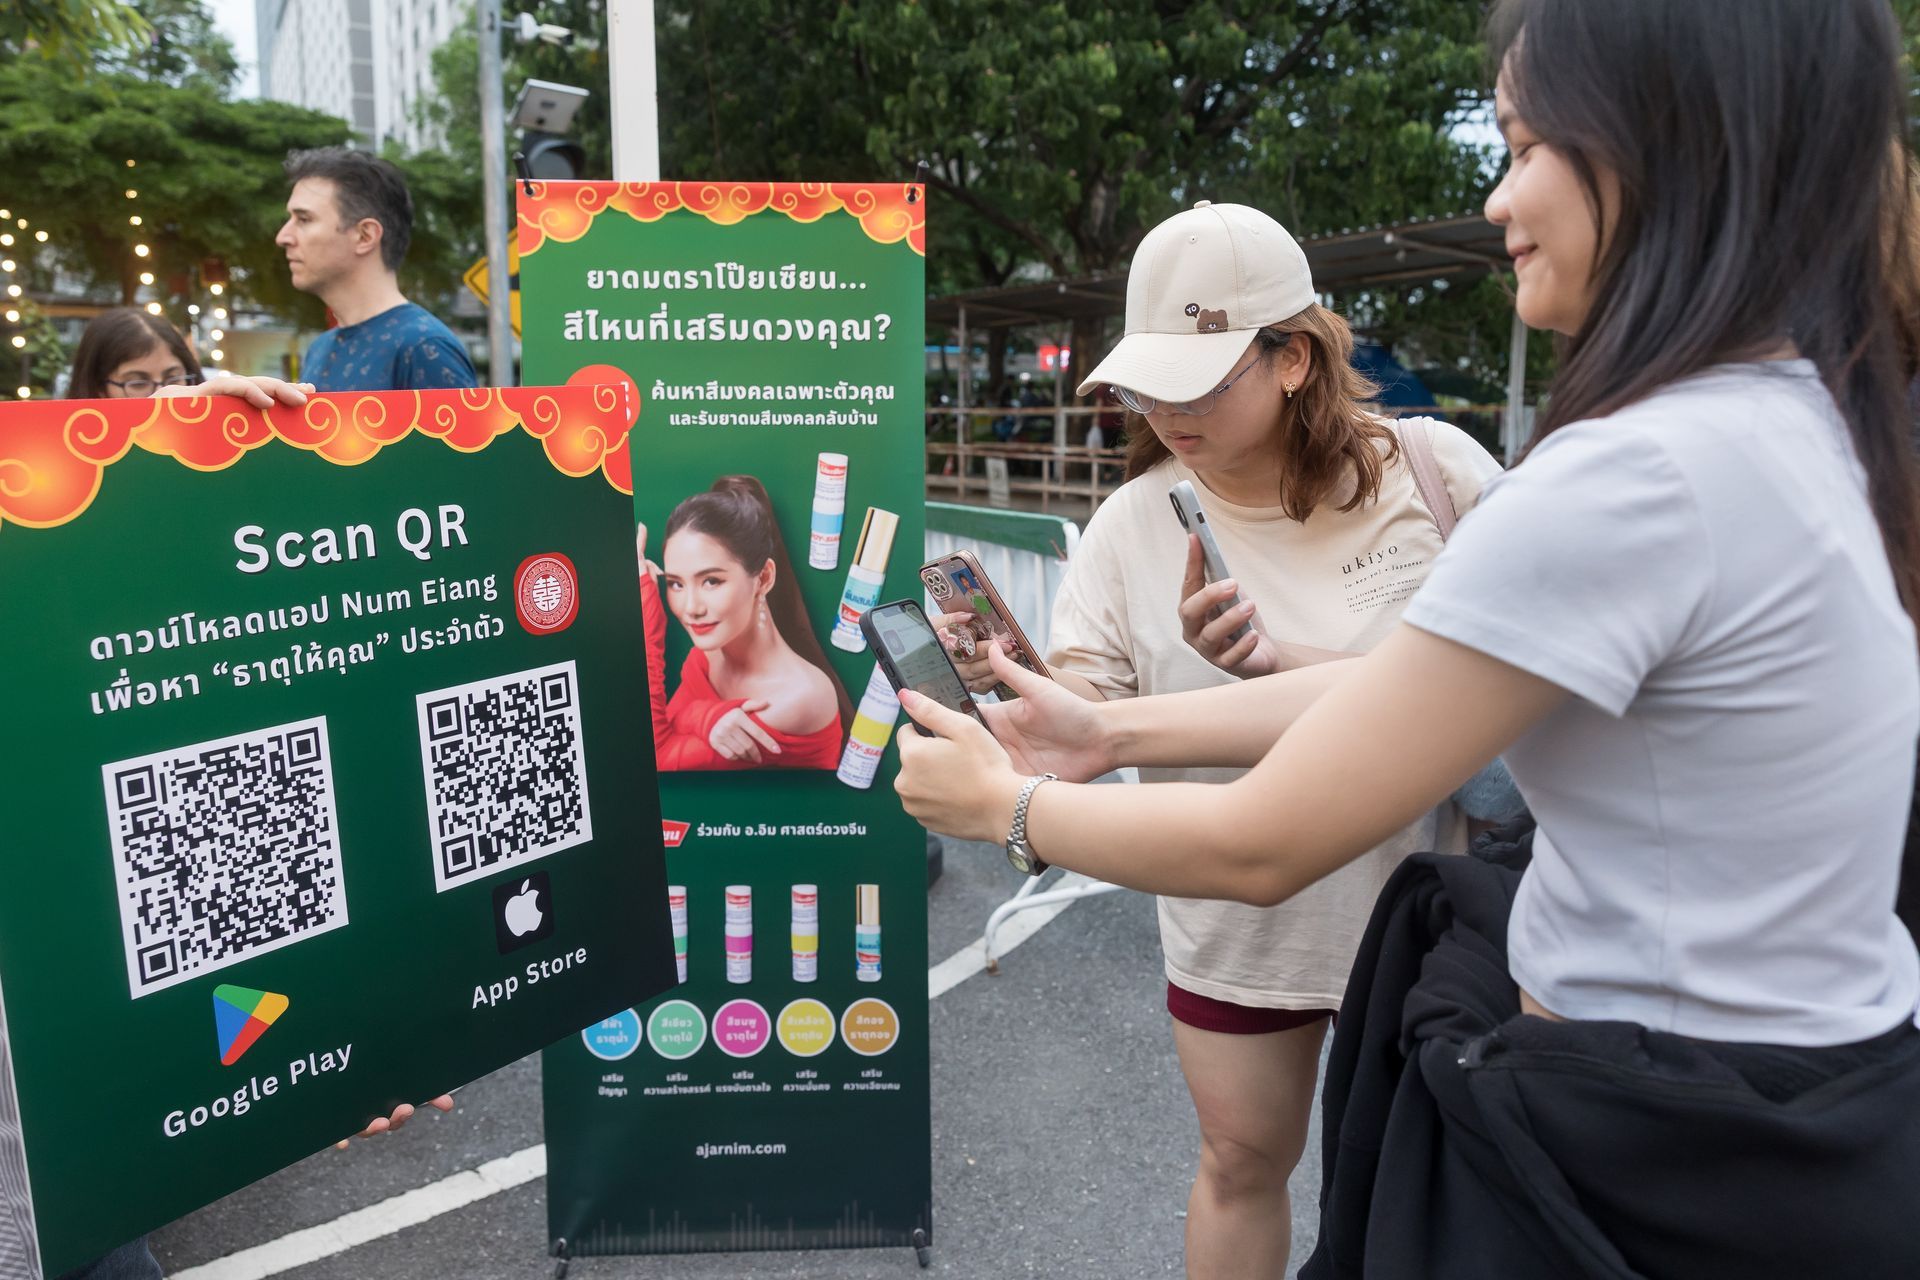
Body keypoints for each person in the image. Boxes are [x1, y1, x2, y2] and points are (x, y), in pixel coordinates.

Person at [896, 0, 1920, 1273]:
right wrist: (1104, 729)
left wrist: (1009, 808)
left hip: (1647, 1140)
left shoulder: (1630, 476)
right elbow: (1408, 689)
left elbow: (1264, 836)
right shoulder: (1807, 421)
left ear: (1665, 150)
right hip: (1805, 1110)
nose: (1499, 197)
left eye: (1527, 145)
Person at [938, 201, 1500, 1278]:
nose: (1167, 410)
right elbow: (1083, 704)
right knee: (1241, 1163)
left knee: (1425, 1186)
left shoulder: (1438, 472)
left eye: (1198, 381)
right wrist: (1017, 699)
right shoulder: (1131, 521)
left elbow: (1506, 686)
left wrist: (1277, 662)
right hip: (1239, 922)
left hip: (1432, 902)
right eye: (1147, 383)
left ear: (1294, 357)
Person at [44, 312, 447, 1280]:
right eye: (134, 385)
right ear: (88, 393)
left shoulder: (219, 530)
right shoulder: (48, 539)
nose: (160, 401)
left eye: (175, 378)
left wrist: (321, 1057)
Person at [638, 476, 852, 770]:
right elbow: (670, 724)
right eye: (676, 584)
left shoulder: (800, 698)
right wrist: (706, 717)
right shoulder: (709, 656)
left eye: (711, 581)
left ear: (763, 578)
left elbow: (655, 758)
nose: (691, 608)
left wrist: (646, 613)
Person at [277, 148, 477, 393]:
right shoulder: (320, 350)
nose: (283, 237)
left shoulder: (424, 347)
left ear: (365, 236)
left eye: (304, 219)